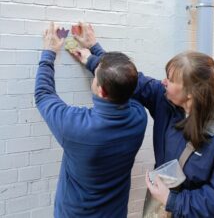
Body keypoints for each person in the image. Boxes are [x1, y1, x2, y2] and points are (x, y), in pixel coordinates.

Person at [72, 22, 214, 218]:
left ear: (190, 94)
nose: (163, 82)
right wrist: (93, 54)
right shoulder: (166, 100)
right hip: (160, 206)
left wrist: (172, 200)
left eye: (169, 80)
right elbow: (129, 80)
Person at [34, 22, 147, 217]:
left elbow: (43, 95)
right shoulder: (139, 117)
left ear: (101, 90)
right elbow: (123, 81)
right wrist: (93, 49)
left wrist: (49, 52)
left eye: (96, 76)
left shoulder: (77, 127)